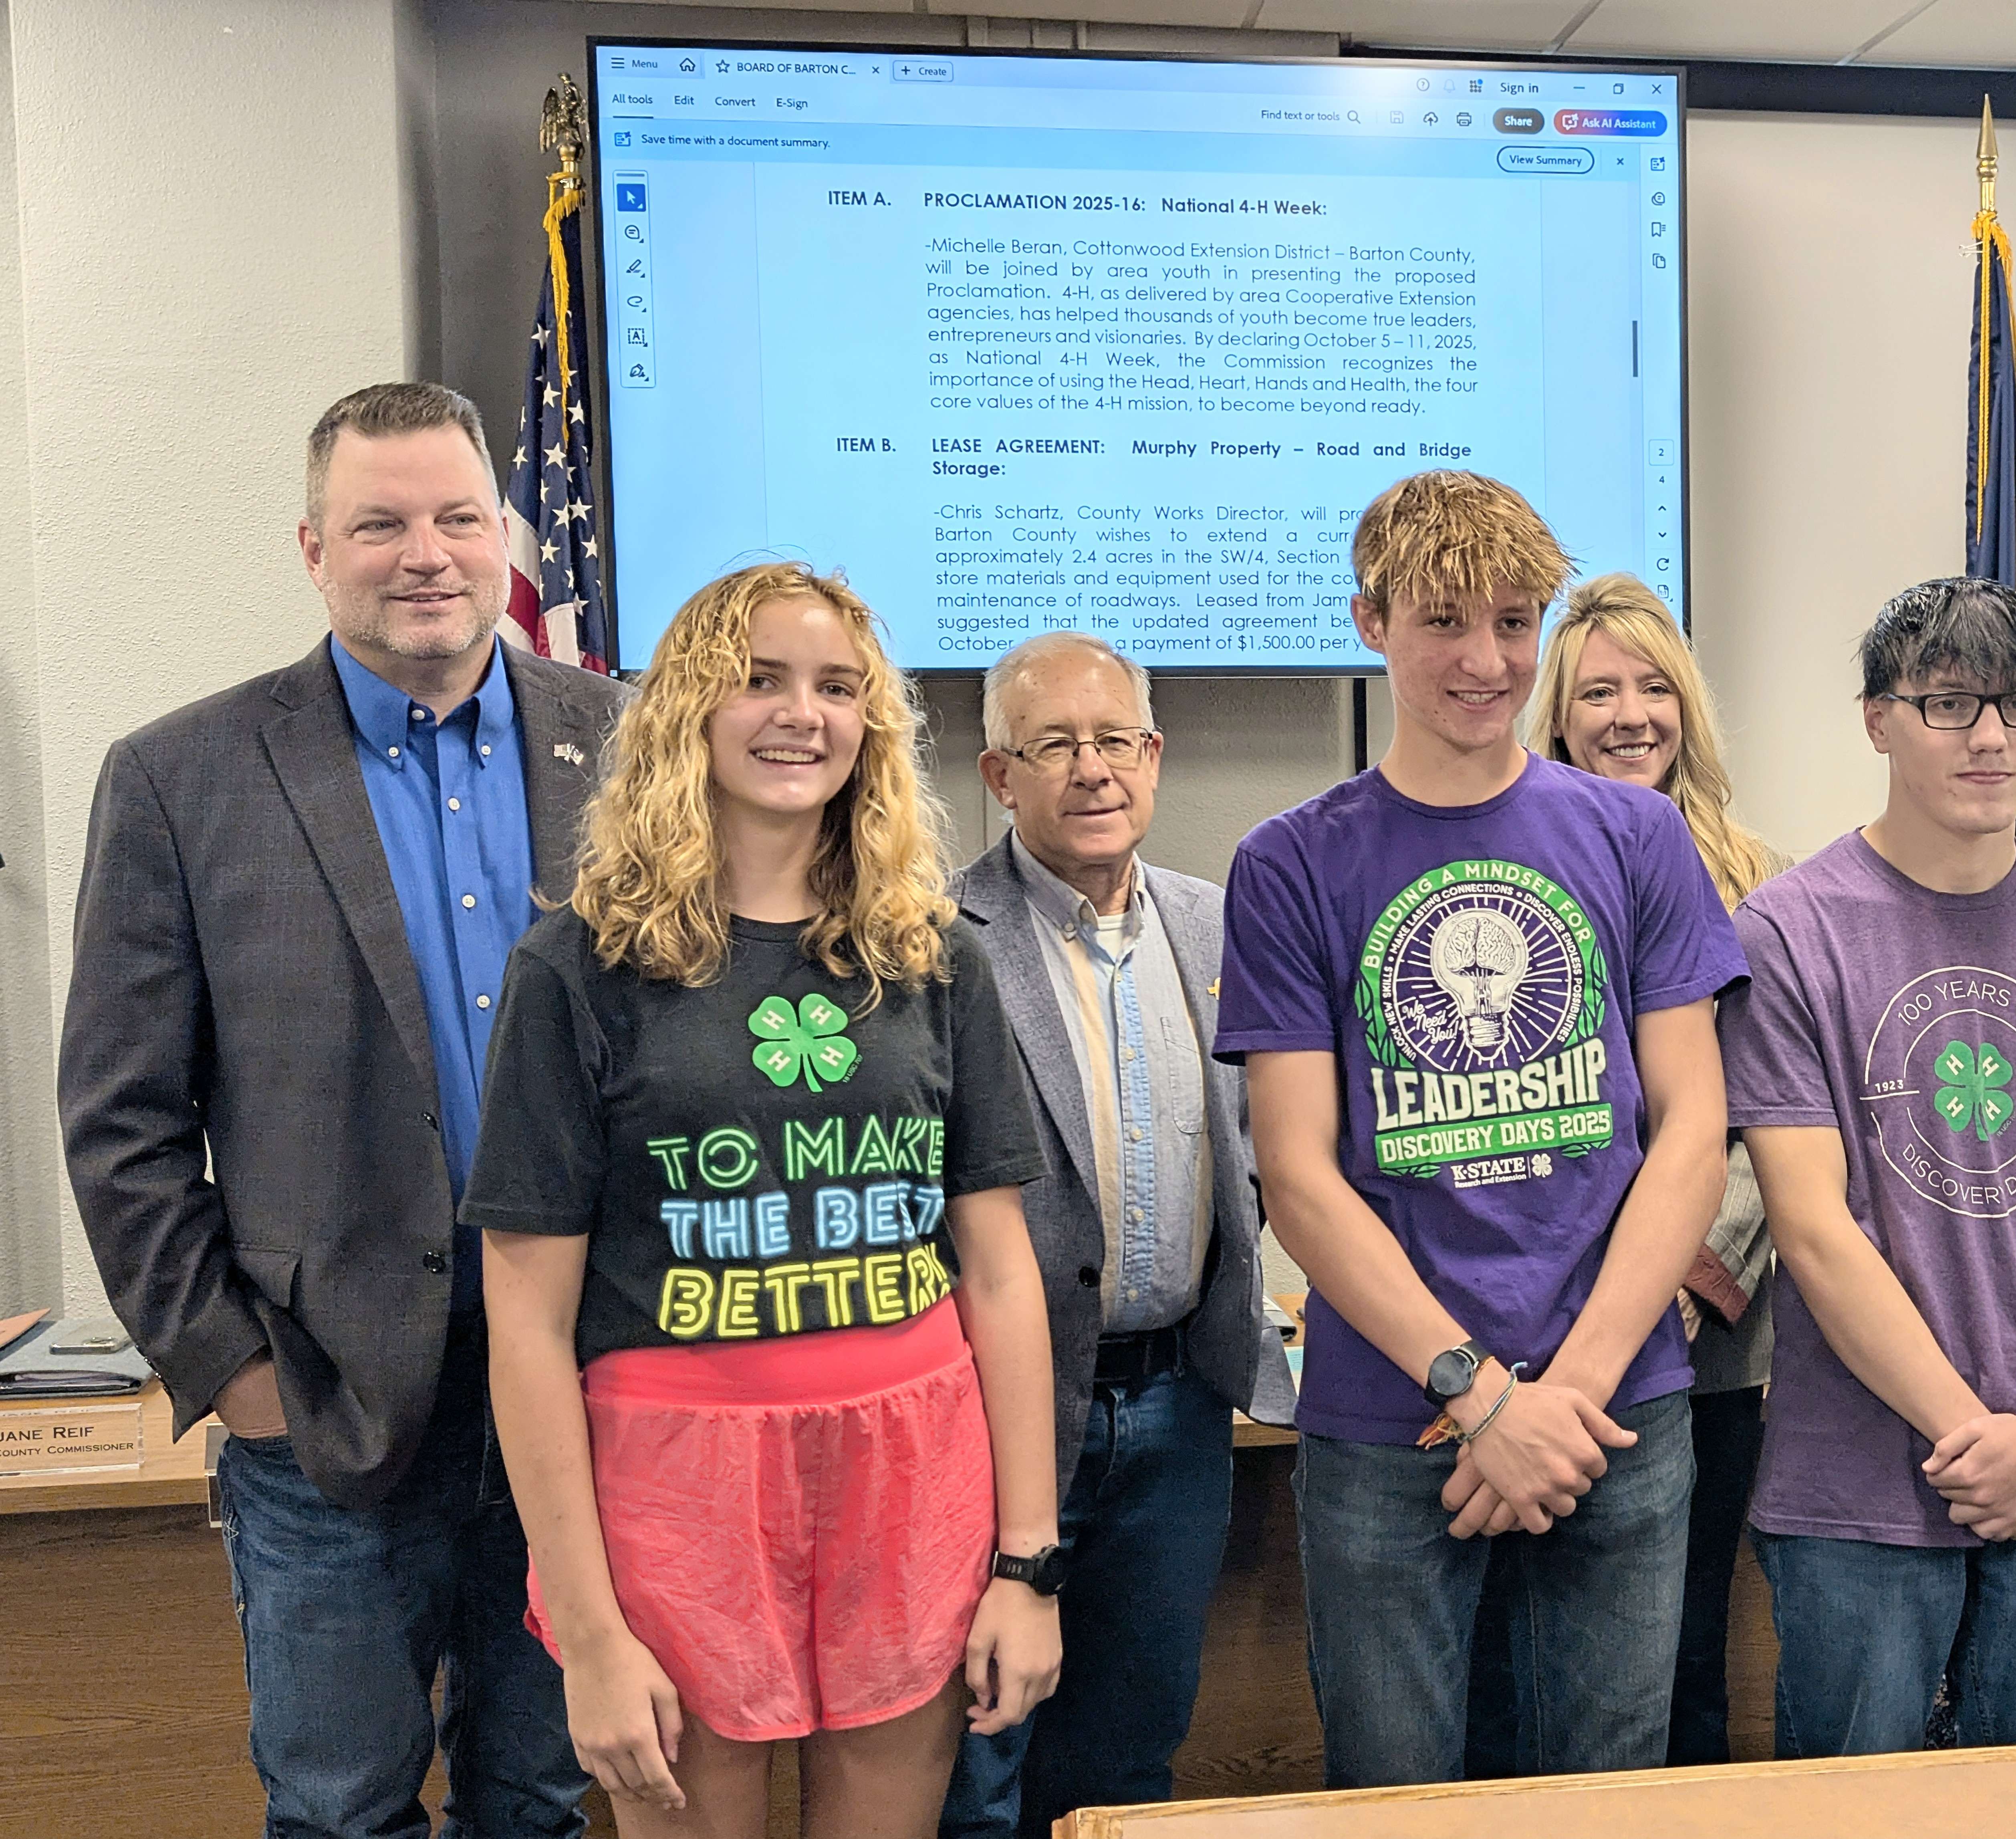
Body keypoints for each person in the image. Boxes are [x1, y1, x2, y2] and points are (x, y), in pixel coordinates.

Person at [59, 381, 621, 1839]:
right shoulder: (182, 778)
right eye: (380, 523)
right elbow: (121, 1122)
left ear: (508, 535)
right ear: (313, 549)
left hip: (594, 1388)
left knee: (549, 1798)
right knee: (340, 1810)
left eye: (456, 516)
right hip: (329, 1401)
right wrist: (234, 1373)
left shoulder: (628, 749)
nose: (424, 553)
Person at [463, 563, 1061, 1837]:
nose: (804, 714)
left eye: (839, 687)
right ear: (689, 708)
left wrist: (1028, 1562)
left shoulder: (932, 952)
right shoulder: (578, 967)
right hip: (674, 1494)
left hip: (914, 1471)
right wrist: (587, 1631)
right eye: (762, 680)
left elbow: (1001, 1275)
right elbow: (522, 1324)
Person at [1216, 473, 1747, 1789]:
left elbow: (1689, 1129)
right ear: (1370, 623)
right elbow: (1297, 1172)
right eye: (1445, 621)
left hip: (1614, 1415)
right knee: (1396, 1794)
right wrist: (1477, 1392)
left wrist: (1562, 1395)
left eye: (1515, 622)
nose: (1485, 659)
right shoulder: (1291, 860)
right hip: (1389, 1419)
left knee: (1608, 1792)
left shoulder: (1635, 834)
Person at [1721, 577, 2016, 1758]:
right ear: (1877, 718)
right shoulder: (1788, 930)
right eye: (1948, 705)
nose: (1990, 738)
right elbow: (1814, 1229)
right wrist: (1976, 1439)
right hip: (1860, 1484)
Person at [939, 631, 1298, 1835]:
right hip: (994, 1423)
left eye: (1113, 741)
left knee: (1134, 1768)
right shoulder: (938, 944)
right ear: (1000, 775)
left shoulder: (1217, 927)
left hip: (1178, 1417)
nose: (1091, 770)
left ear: (1153, 755)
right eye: (1054, 746)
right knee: (977, 1775)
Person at [1467, 574, 1783, 1774]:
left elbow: (1769, 1127)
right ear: (1557, 711)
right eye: (1598, 690)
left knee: (1677, 1664)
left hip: (1702, 1353)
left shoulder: (1768, 888)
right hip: (1518, 1350)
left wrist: (1672, 1288)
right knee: (1507, 1665)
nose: (1630, 715)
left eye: (1655, 687)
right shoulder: (1494, 874)